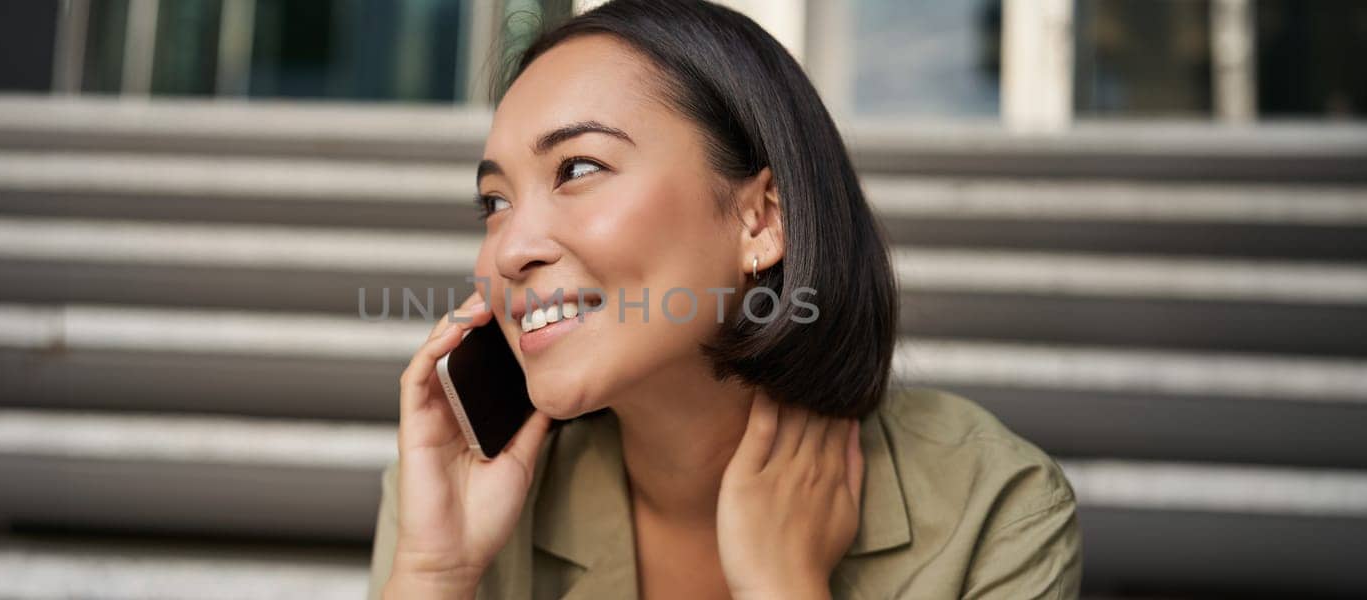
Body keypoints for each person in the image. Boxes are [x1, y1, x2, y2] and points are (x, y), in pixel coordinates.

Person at [369, 1, 1081, 598]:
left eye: (578, 168)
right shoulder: (453, 498)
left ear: (762, 218)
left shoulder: (992, 507)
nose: (508, 249)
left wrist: (784, 585)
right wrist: (434, 574)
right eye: (493, 200)